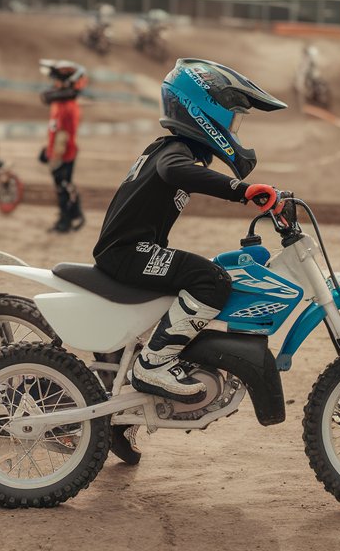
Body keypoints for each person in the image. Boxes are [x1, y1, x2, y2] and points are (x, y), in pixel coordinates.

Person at [92, 58, 286, 403]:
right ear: (204, 110)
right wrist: (242, 190)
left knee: (209, 272)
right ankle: (152, 365)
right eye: (233, 117)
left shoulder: (172, 151)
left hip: (131, 252)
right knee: (212, 279)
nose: (234, 128)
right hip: (126, 253)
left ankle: (140, 382)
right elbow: (176, 171)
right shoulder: (172, 152)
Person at [39, 59, 87, 233]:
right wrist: (48, 149)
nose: (54, 84)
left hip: (65, 153)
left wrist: (56, 156)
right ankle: (74, 215)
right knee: (64, 186)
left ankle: (65, 221)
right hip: (60, 150)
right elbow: (55, 129)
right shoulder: (60, 103)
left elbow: (64, 134)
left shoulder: (67, 106)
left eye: (57, 80)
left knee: (63, 188)